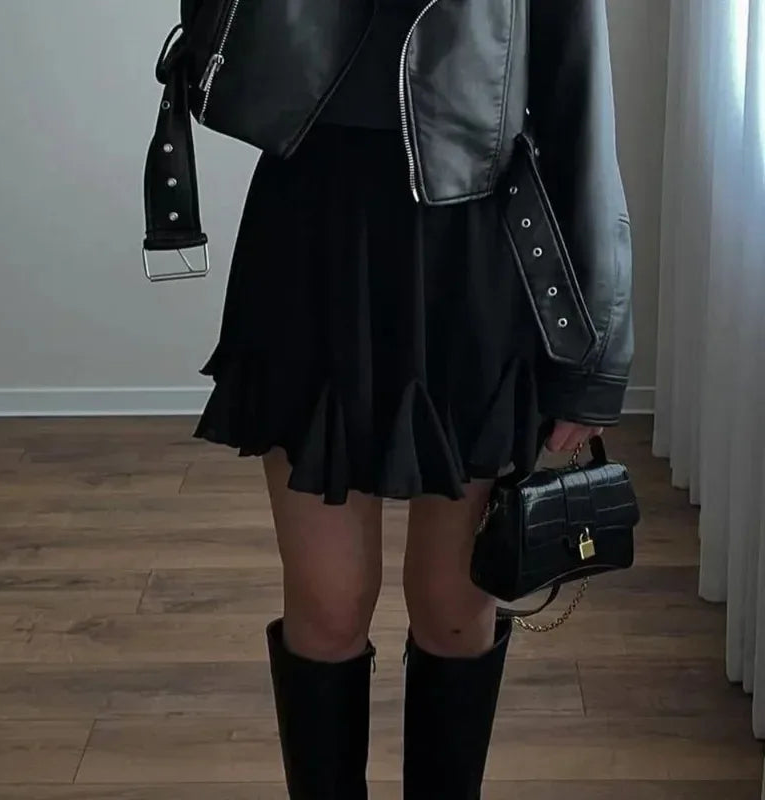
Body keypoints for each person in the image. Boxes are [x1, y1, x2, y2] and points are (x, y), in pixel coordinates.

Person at [191, 0, 633, 797]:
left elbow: (580, 107)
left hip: (473, 251)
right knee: (326, 608)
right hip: (312, 236)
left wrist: (595, 355)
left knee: (454, 610)